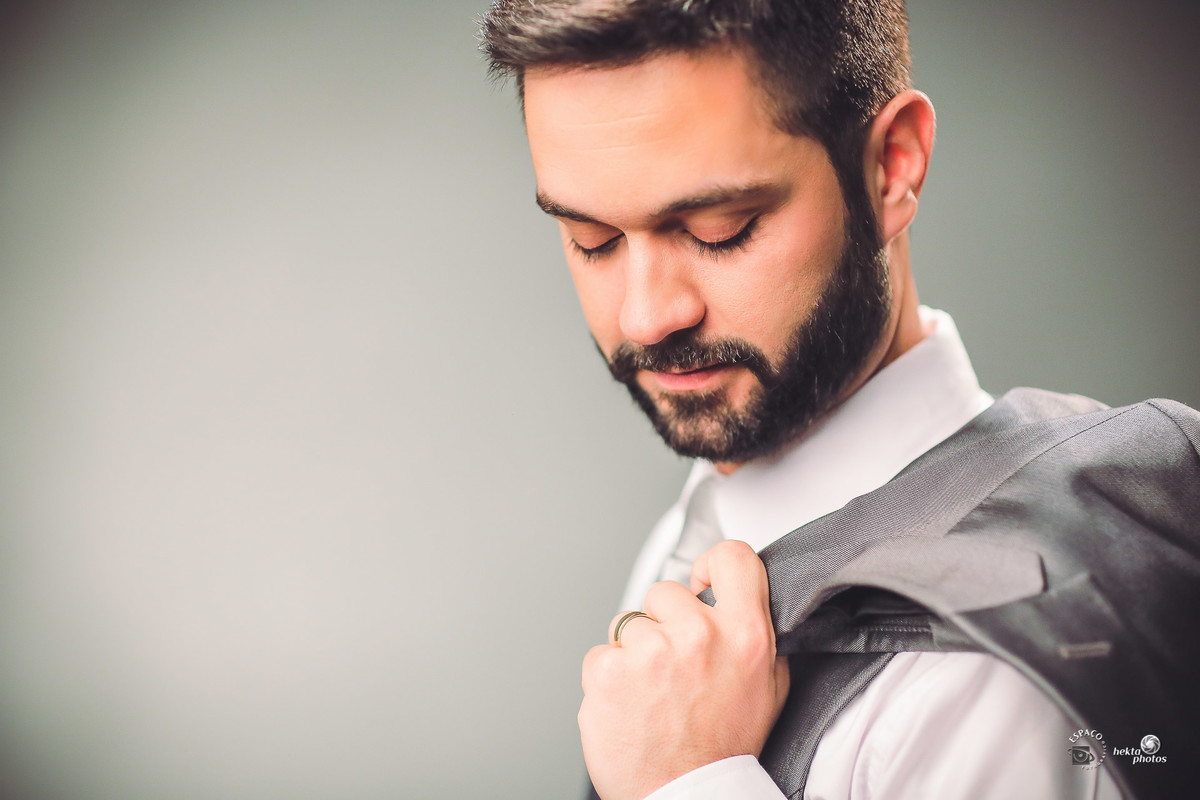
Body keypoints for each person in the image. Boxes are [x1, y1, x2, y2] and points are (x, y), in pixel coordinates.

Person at [479, 2, 1194, 798]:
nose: (646, 316)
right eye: (591, 239)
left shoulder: (977, 688)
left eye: (720, 228)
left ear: (893, 165)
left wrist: (690, 786)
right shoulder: (701, 535)